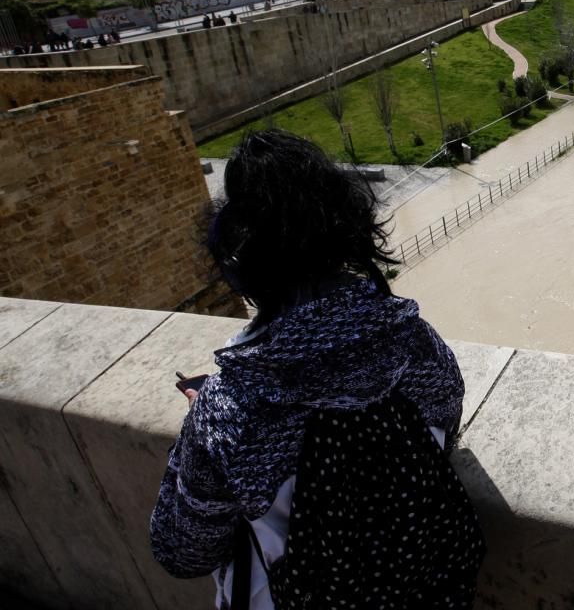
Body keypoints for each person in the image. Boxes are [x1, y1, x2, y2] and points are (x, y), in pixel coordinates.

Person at [150, 130, 485, 609]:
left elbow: (182, 552)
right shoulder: (416, 343)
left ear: (238, 264)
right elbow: (443, 428)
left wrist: (205, 419)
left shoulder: (228, 411)